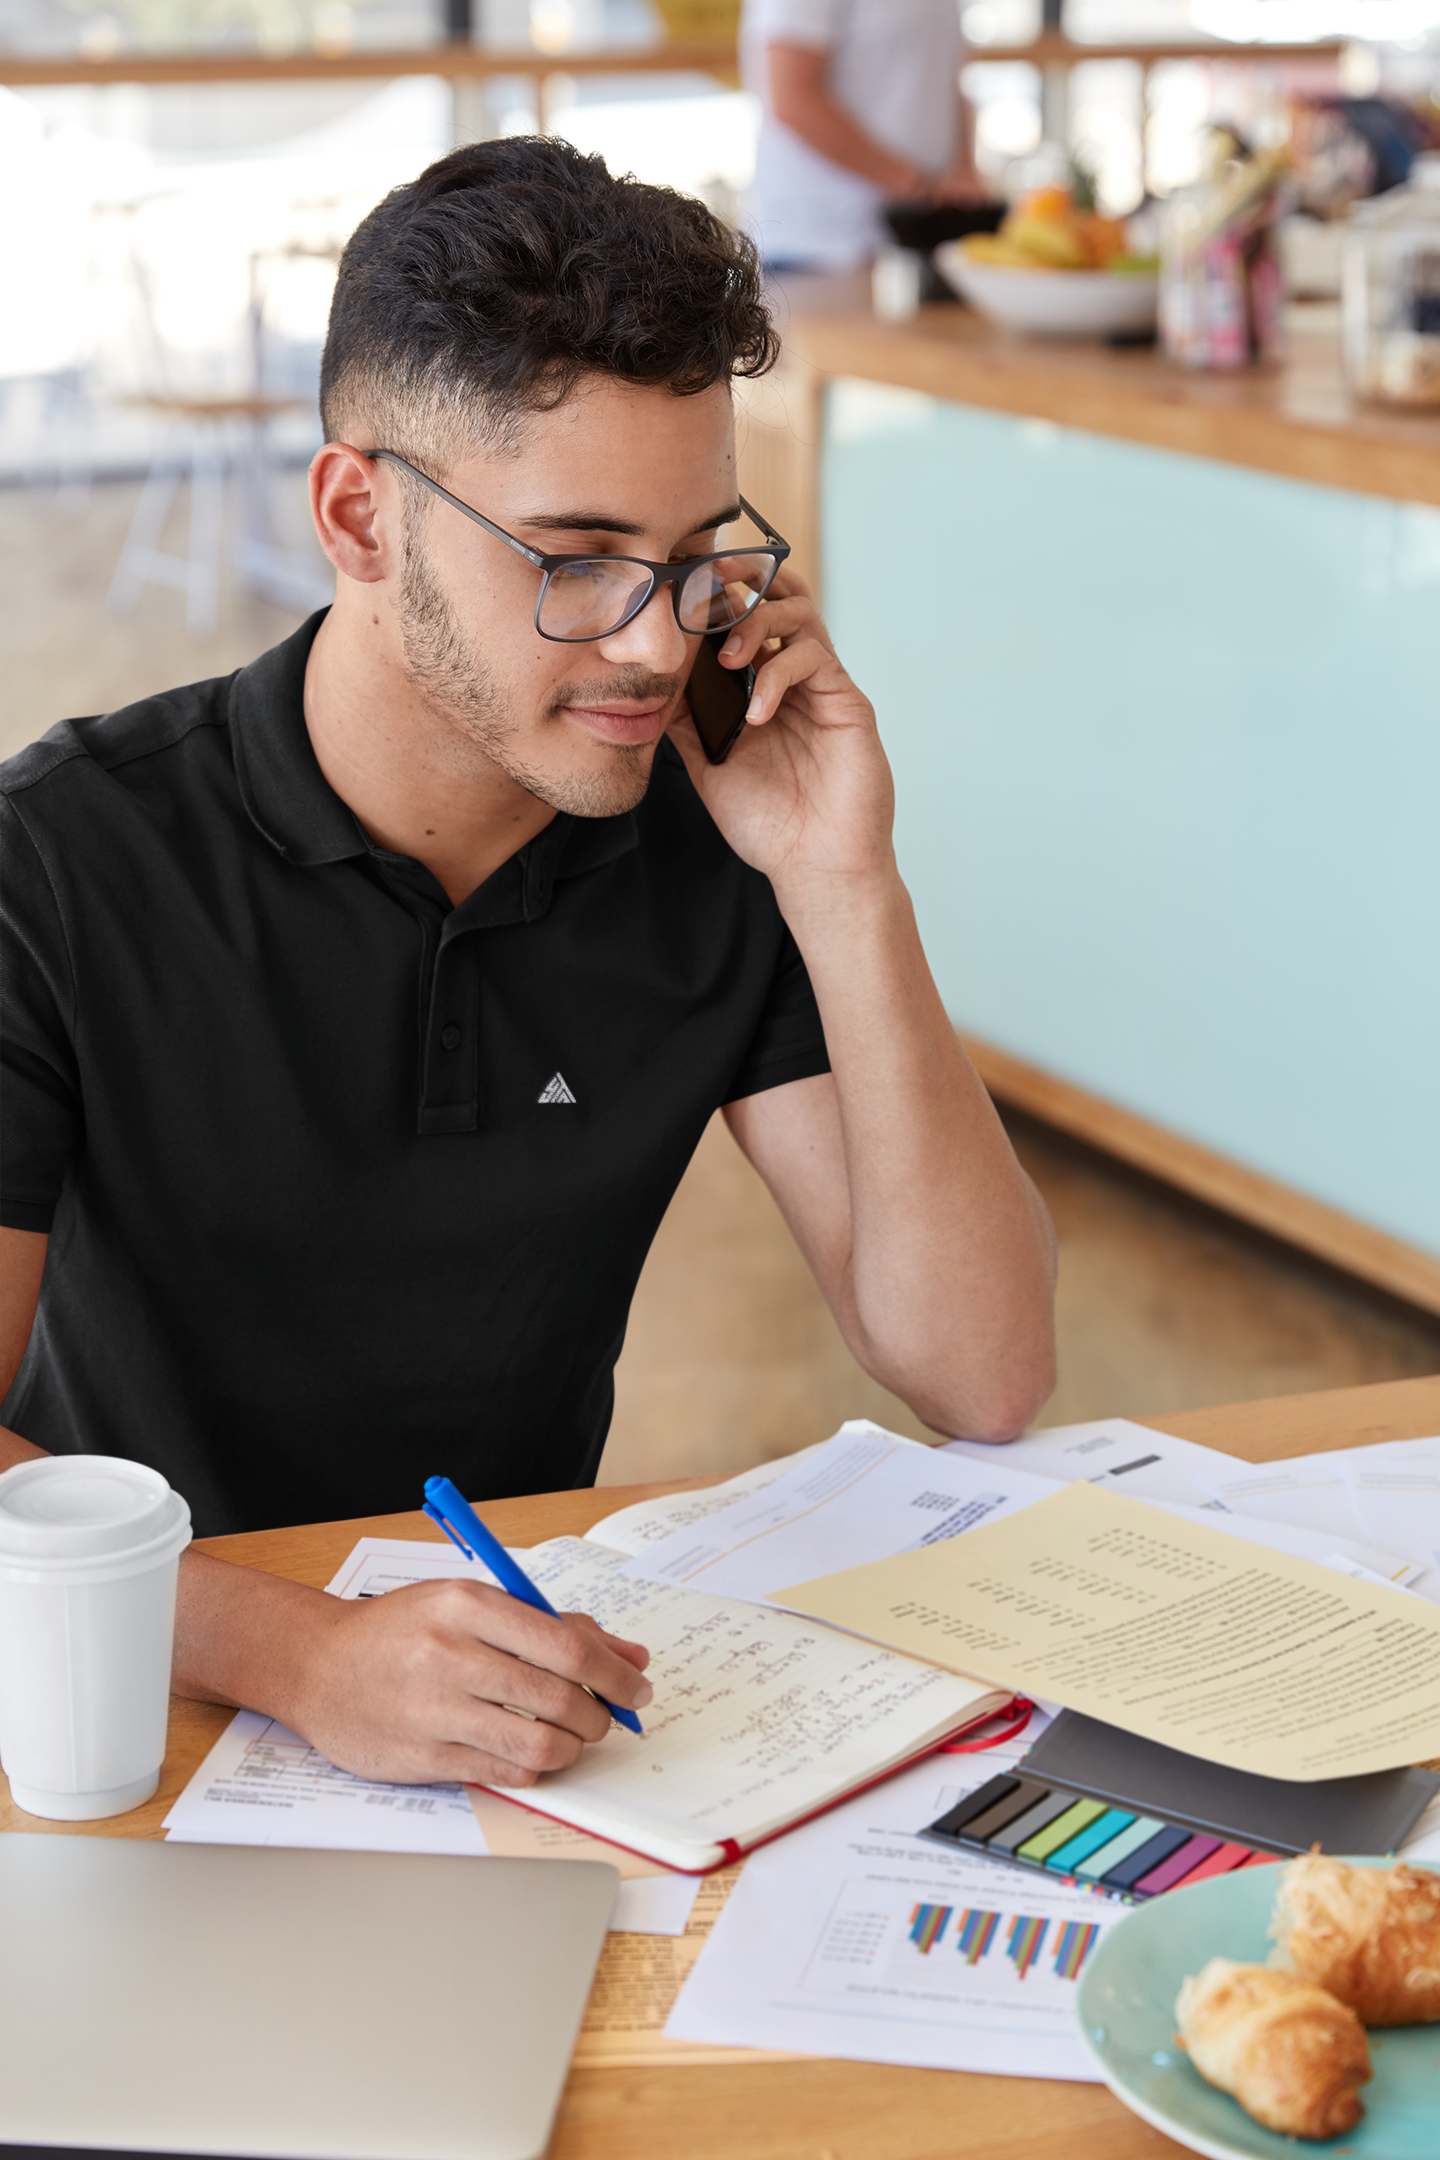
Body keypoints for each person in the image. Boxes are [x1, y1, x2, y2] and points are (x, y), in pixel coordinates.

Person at [0, 138, 1054, 1795]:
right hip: (127, 1700)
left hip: (526, 1703)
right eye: (573, 557)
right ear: (361, 517)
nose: (653, 642)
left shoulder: (709, 837)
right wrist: (292, 1652)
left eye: (698, 552)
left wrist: (847, 880)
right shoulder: (57, 861)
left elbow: (979, 1369)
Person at [741, 0, 986, 273]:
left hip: (918, 240)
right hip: (817, 248)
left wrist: (965, 170)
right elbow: (792, 99)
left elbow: (942, 77)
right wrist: (916, 187)